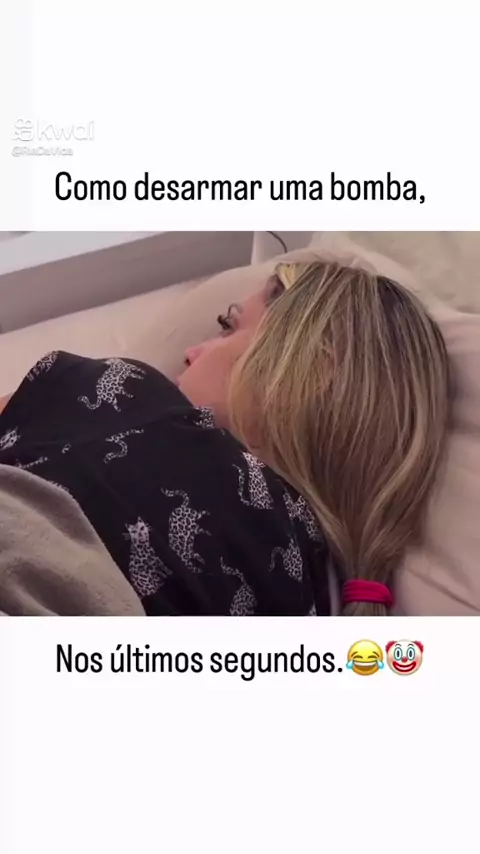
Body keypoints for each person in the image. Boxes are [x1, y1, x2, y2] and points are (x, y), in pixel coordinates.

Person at [0, 261, 450, 616]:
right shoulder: (317, 597)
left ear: (315, 370)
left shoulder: (130, 394)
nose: (190, 352)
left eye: (229, 327)